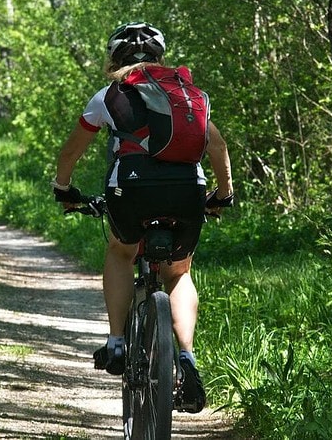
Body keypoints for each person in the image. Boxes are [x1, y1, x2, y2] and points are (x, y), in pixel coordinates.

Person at [51, 22, 233, 413]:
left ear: (113, 59)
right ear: (159, 57)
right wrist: (223, 196)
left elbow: (70, 153)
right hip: (188, 192)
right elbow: (217, 146)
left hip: (131, 192)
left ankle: (116, 342)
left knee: (121, 251)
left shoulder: (108, 96)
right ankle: (186, 357)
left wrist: (63, 190)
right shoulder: (187, 95)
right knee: (179, 273)